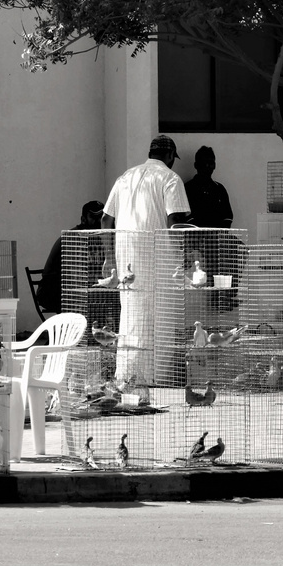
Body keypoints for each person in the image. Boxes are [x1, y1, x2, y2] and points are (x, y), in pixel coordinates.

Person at [102, 135, 190, 387]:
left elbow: (106, 220)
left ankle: (128, 376)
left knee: (131, 315)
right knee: (159, 318)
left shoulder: (124, 177)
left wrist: (110, 258)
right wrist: (183, 259)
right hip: (158, 260)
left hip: (126, 259)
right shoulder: (170, 179)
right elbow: (176, 222)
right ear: (171, 155)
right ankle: (156, 378)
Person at [36, 201, 106, 316]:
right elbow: (76, 275)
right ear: (83, 219)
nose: (98, 221)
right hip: (52, 292)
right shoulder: (72, 238)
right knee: (95, 301)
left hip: (73, 290)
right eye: (93, 217)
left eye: (101, 217)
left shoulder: (97, 239)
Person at [183, 146, 234, 229]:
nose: (207, 166)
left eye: (210, 163)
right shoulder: (187, 189)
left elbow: (228, 217)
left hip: (219, 239)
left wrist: (220, 234)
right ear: (196, 165)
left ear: (214, 165)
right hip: (195, 239)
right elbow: (187, 218)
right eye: (203, 162)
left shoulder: (220, 189)